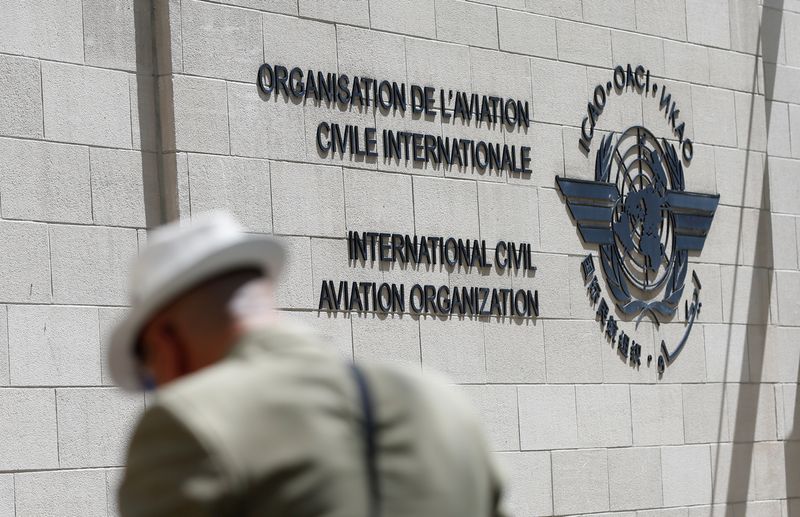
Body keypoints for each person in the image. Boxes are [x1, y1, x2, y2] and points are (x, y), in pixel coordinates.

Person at [110, 212, 508, 517]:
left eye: (147, 371)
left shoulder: (187, 423)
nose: (156, 385)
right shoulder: (444, 401)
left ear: (165, 340)